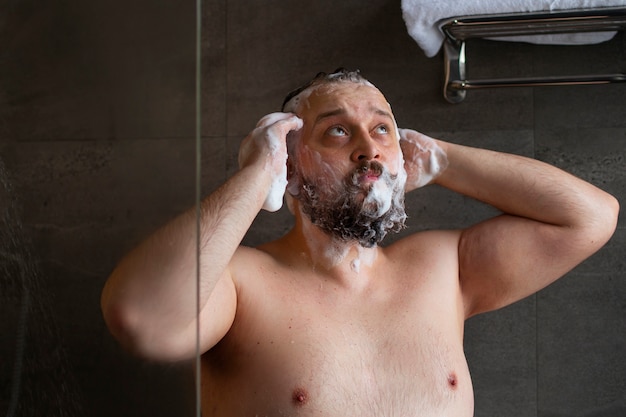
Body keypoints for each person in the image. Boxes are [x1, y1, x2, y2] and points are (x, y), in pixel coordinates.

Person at [101, 69, 619, 416]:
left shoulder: (443, 270)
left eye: (382, 129)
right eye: (338, 133)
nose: (370, 148)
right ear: (293, 163)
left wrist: (443, 158)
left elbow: (590, 218)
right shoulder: (241, 284)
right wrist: (259, 175)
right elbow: (142, 319)